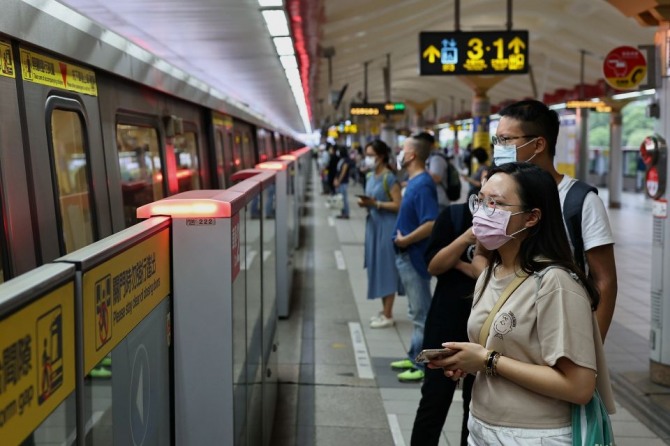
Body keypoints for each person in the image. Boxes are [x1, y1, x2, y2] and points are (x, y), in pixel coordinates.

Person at [430, 162, 614, 444]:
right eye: (480, 200)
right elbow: (509, 350)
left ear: (532, 217)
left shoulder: (556, 283)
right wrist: (469, 361)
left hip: (535, 435)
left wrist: (488, 360)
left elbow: (579, 387)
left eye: (496, 203)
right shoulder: (491, 273)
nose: (482, 211)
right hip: (481, 426)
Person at [492, 99, 617, 341]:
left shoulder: (580, 200)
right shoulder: (497, 194)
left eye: (506, 140)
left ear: (538, 144)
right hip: (507, 328)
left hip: (563, 330)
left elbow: (605, 279)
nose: (499, 147)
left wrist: (593, 347)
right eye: (497, 140)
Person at [410, 201, 477, 446]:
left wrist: (458, 264)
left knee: (475, 408)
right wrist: (466, 238)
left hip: (482, 331)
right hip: (445, 321)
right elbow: (435, 265)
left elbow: (484, 273)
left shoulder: (509, 228)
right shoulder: (454, 215)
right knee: (434, 400)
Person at [390, 134, 439, 382]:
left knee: (421, 314)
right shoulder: (414, 181)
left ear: (412, 155)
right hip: (406, 255)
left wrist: (406, 240)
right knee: (415, 311)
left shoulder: (422, 185)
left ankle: (421, 366)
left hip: (414, 257)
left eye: (403, 149)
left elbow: (431, 223)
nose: (400, 152)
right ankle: (412, 357)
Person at [357, 140, 403, 328]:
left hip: (387, 227)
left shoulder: (389, 178)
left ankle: (388, 314)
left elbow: (398, 204)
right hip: (373, 226)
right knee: (376, 266)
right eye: (366, 154)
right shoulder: (370, 176)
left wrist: (375, 204)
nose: (368, 159)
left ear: (381, 156)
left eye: (371, 155)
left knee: (386, 268)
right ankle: (384, 311)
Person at [421, 132, 451, 211]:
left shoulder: (437, 158)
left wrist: (421, 168)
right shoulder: (430, 157)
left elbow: (436, 178)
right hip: (434, 200)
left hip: (439, 201)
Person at [333, 146, 353, 219]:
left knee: (344, 198)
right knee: (341, 198)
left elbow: (343, 172)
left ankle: (346, 213)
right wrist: (335, 179)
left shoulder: (346, 161)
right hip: (339, 181)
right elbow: (338, 171)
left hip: (343, 182)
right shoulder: (341, 160)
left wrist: (339, 181)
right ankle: (342, 213)